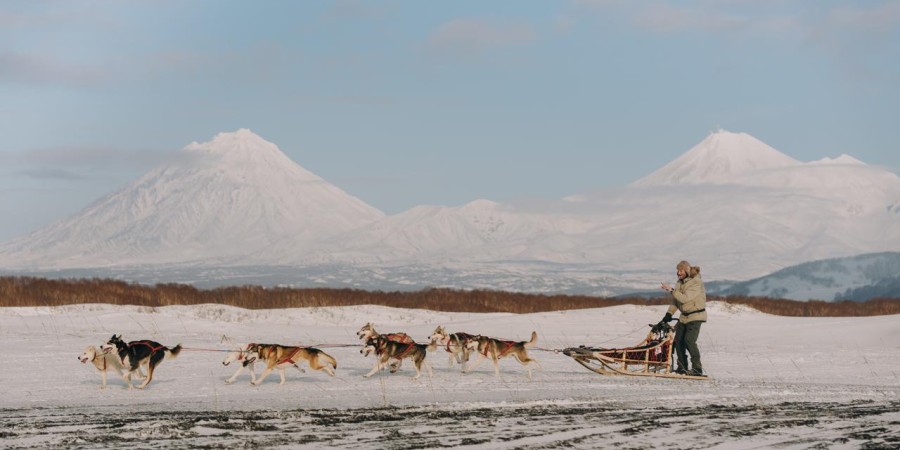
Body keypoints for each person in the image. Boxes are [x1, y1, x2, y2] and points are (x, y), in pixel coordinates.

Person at [659, 260, 707, 376]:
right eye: (677, 271)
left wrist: (671, 290)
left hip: (696, 315)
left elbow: (685, 298)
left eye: (680, 270)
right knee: (678, 341)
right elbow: (676, 300)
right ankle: (682, 367)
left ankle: (697, 368)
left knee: (689, 340)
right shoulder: (680, 283)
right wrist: (669, 314)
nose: (678, 273)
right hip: (684, 316)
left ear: (686, 270)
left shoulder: (696, 282)